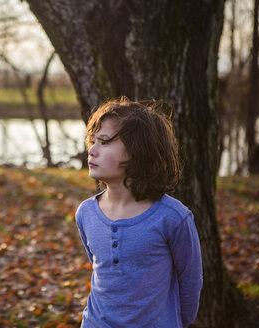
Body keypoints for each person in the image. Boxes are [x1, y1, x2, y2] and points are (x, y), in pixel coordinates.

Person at [75, 97, 203, 327]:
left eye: (104, 142)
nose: (91, 151)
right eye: (92, 141)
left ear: (137, 150)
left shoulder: (172, 217)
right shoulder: (86, 213)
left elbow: (190, 282)